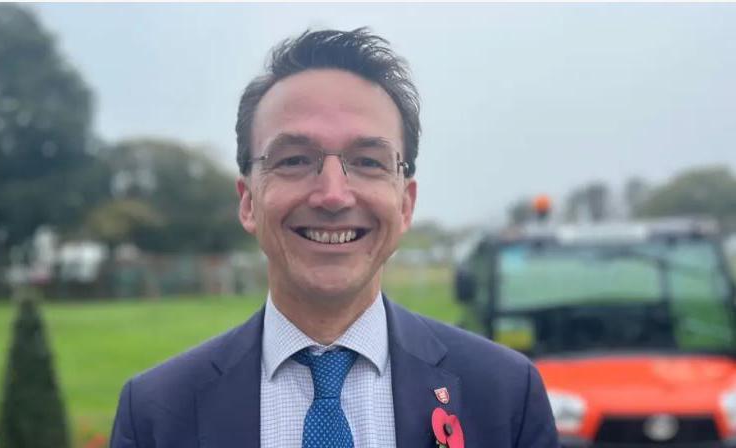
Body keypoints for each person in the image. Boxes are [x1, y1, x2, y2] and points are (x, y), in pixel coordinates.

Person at [110, 28, 559, 448]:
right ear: (248, 201)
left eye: (367, 161)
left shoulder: (505, 396)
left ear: (405, 204)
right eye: (293, 160)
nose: (332, 195)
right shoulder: (155, 414)